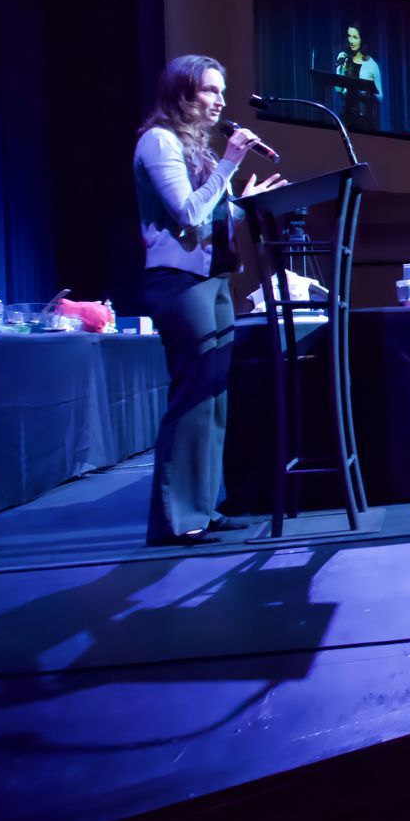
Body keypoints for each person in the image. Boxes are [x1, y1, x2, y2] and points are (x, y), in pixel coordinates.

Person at [134, 55, 284, 545]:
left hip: (213, 280)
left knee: (214, 400)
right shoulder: (159, 142)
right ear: (182, 95)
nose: (220, 101)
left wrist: (242, 204)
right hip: (179, 286)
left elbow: (209, 219)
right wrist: (232, 162)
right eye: (209, 91)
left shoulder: (196, 149)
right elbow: (189, 215)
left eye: (222, 91)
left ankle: (202, 507)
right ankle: (175, 519)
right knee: (192, 398)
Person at [333, 24, 382, 130]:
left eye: (355, 37)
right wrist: (341, 69)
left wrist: (367, 90)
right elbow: (338, 90)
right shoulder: (344, 58)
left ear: (362, 39)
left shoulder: (371, 64)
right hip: (346, 115)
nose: (351, 40)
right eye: (349, 36)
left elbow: (380, 97)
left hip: (364, 119)